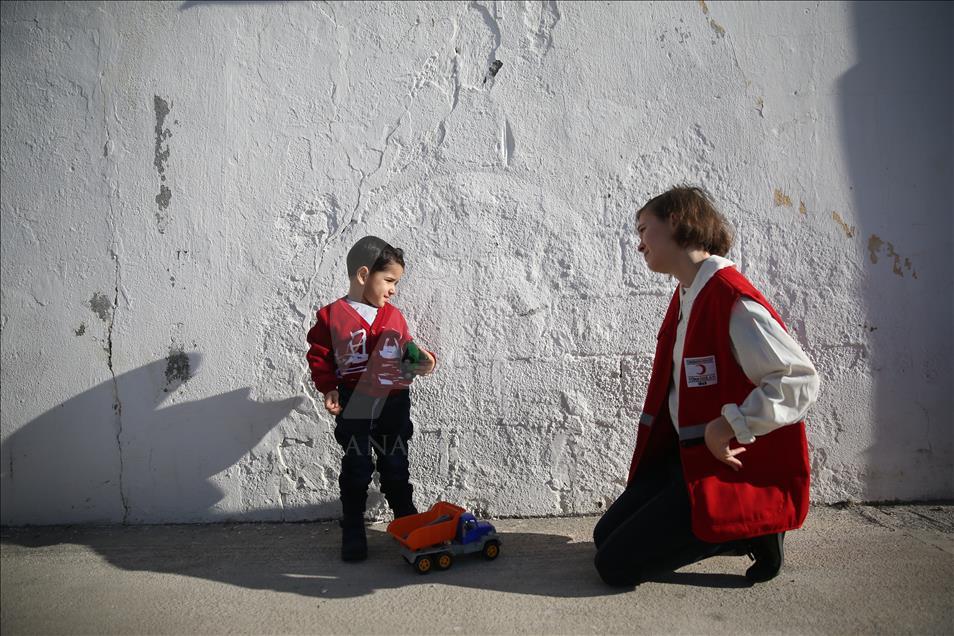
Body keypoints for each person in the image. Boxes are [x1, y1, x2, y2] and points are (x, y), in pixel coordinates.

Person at [593, 186, 820, 586]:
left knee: (613, 566)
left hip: (719, 465)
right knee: (602, 537)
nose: (639, 244)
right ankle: (732, 526)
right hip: (685, 459)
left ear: (676, 222)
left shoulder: (731, 299)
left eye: (644, 229)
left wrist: (731, 423)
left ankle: (752, 528)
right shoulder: (689, 294)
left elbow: (799, 380)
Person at [306, 235, 437, 561]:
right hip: (357, 401)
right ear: (364, 276)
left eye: (396, 283)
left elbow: (407, 351)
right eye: (389, 280)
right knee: (358, 464)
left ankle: (406, 516)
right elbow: (320, 356)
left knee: (395, 461)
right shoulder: (331, 316)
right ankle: (352, 525)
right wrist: (329, 386)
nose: (393, 289)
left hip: (393, 401)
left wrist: (424, 361)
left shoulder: (394, 316)